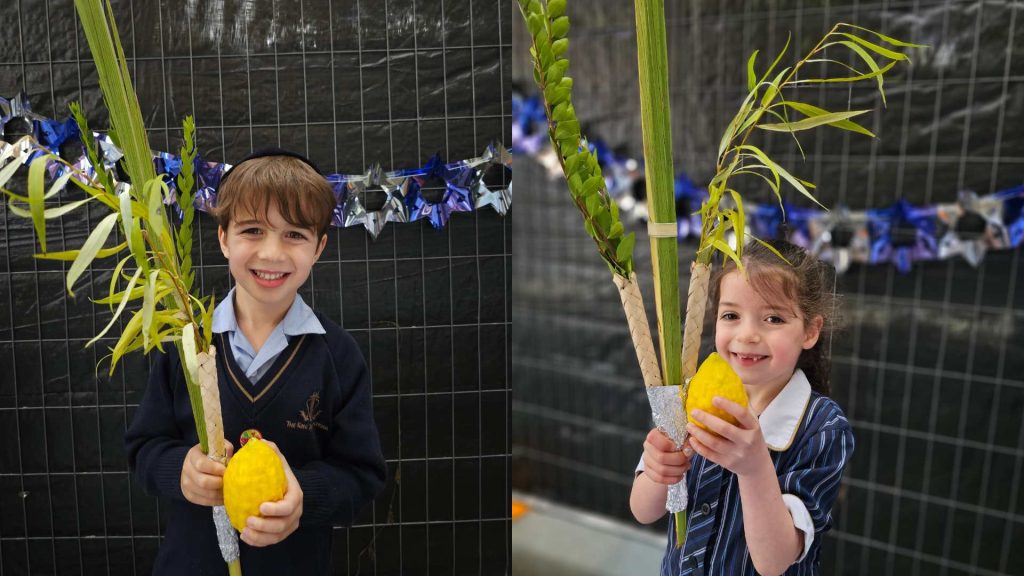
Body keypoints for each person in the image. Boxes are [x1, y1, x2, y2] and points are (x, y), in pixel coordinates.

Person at [125, 148, 387, 575]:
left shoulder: (337, 356)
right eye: (252, 230)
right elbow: (143, 448)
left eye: (295, 235)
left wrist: (303, 493)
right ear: (223, 237)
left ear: (319, 247)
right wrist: (181, 471)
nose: (271, 253)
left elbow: (362, 475)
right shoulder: (187, 341)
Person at [630, 239, 854, 575]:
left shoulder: (822, 427)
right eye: (731, 315)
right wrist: (658, 471)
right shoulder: (689, 397)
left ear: (810, 330)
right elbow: (642, 510)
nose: (748, 334)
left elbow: (774, 562)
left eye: (774, 318)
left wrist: (753, 468)